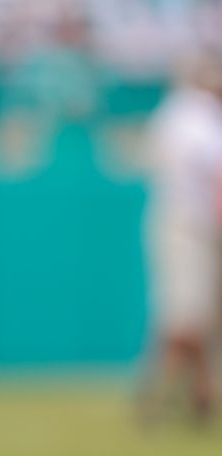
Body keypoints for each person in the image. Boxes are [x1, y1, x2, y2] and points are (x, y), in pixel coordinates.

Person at [140, 53, 222, 425]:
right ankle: (156, 399)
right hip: (188, 225)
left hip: (196, 224)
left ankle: (200, 400)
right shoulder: (191, 113)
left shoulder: (191, 112)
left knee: (202, 319)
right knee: (185, 319)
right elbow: (213, 176)